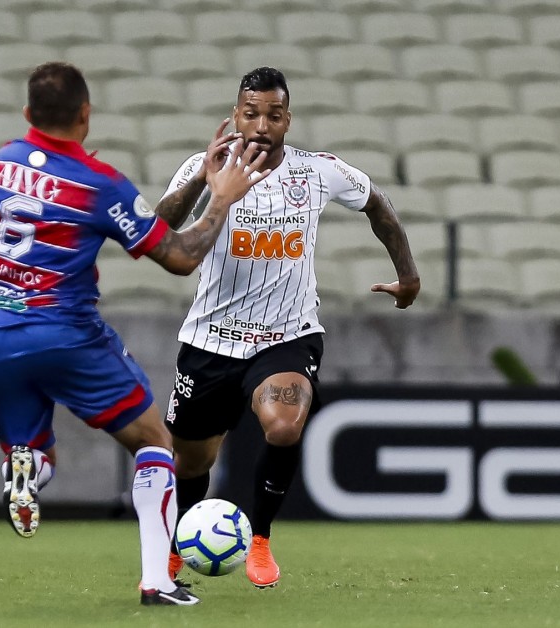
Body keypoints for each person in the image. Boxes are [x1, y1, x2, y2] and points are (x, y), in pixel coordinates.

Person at [0, 61, 271, 606]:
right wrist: (220, 196)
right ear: (85, 114)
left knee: (36, 452)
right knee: (154, 444)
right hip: (66, 335)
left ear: (26, 114)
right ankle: (157, 581)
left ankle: (28, 468)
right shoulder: (98, 183)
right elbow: (179, 258)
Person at [153, 67, 421, 589]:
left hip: (287, 334)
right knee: (191, 463)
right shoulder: (203, 166)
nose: (261, 124)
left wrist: (408, 275)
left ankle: (259, 538)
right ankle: (175, 550)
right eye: (250, 113)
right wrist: (202, 181)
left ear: (287, 120)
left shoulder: (317, 172)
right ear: (235, 116)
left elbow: (380, 209)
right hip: (210, 339)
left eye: (273, 115)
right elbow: (159, 227)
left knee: (283, 424)